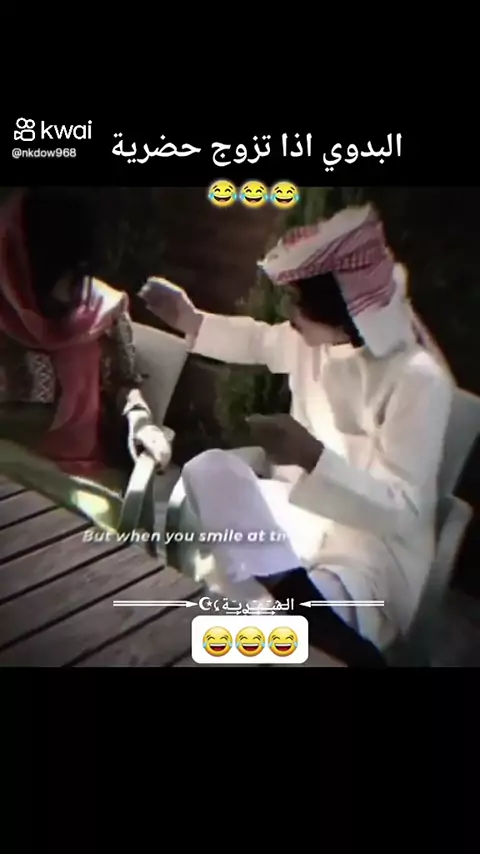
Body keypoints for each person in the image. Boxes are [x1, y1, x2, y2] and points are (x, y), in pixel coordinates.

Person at [140, 204, 454, 663]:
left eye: (298, 303)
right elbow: (257, 340)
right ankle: (295, 611)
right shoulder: (314, 341)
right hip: (303, 520)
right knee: (209, 470)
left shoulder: (417, 379)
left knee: (254, 638)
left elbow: (403, 512)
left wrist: (312, 457)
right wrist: (189, 319)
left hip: (368, 560)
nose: (287, 313)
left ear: (342, 310)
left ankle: (291, 619)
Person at [0, 188, 172, 489]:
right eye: (60, 275)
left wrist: (139, 419)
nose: (71, 292)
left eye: (79, 274)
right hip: (10, 478)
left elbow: (124, 383)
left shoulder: (106, 310)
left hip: (79, 482)